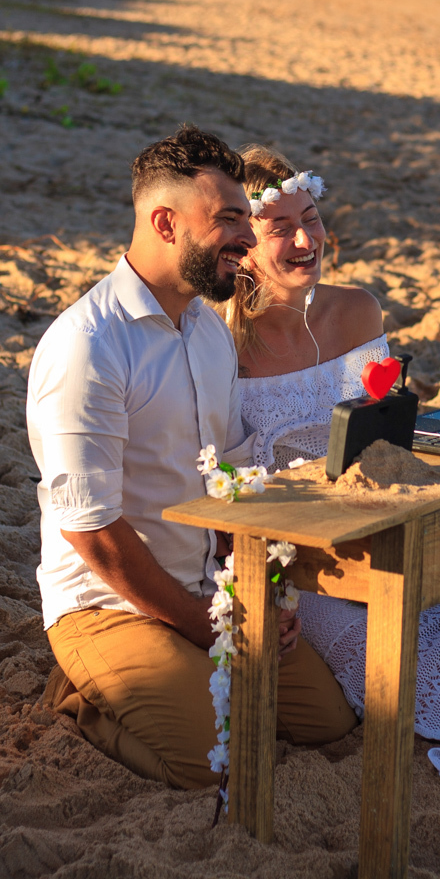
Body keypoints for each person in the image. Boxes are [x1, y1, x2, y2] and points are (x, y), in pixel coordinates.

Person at [222, 143, 440, 784]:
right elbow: (217, 493)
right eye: (282, 228)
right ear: (241, 245)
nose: (307, 239)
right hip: (307, 569)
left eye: (313, 217)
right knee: (439, 693)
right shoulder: (221, 345)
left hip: (389, 531)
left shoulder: (358, 309)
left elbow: (386, 437)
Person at [29, 126, 357, 791]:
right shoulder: (89, 347)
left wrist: (252, 594)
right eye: (229, 219)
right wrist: (201, 627)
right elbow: (92, 533)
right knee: (220, 762)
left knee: (328, 723)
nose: (246, 236)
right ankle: (82, 697)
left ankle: (178, 671)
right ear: (165, 223)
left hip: (207, 593)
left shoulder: (209, 331)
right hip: (108, 603)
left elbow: (232, 483)